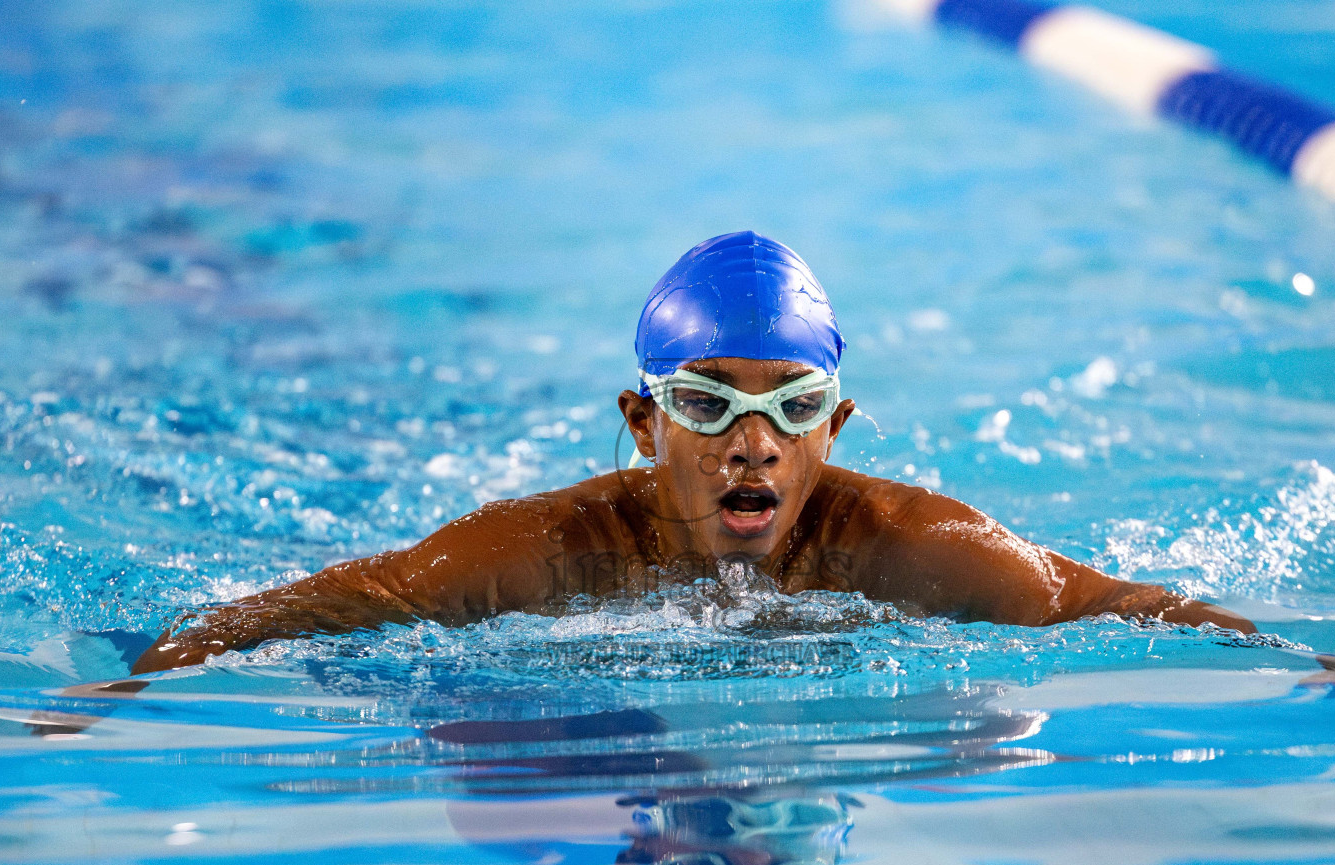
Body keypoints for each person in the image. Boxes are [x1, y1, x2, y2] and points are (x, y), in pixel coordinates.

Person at [130, 230, 1254, 675]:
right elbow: (329, 600)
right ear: (642, 425)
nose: (751, 443)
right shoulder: (548, 553)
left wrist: (1314, 668)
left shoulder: (915, 550)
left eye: (789, 407)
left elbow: (1111, 603)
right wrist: (127, 682)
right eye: (707, 406)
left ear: (834, 430)